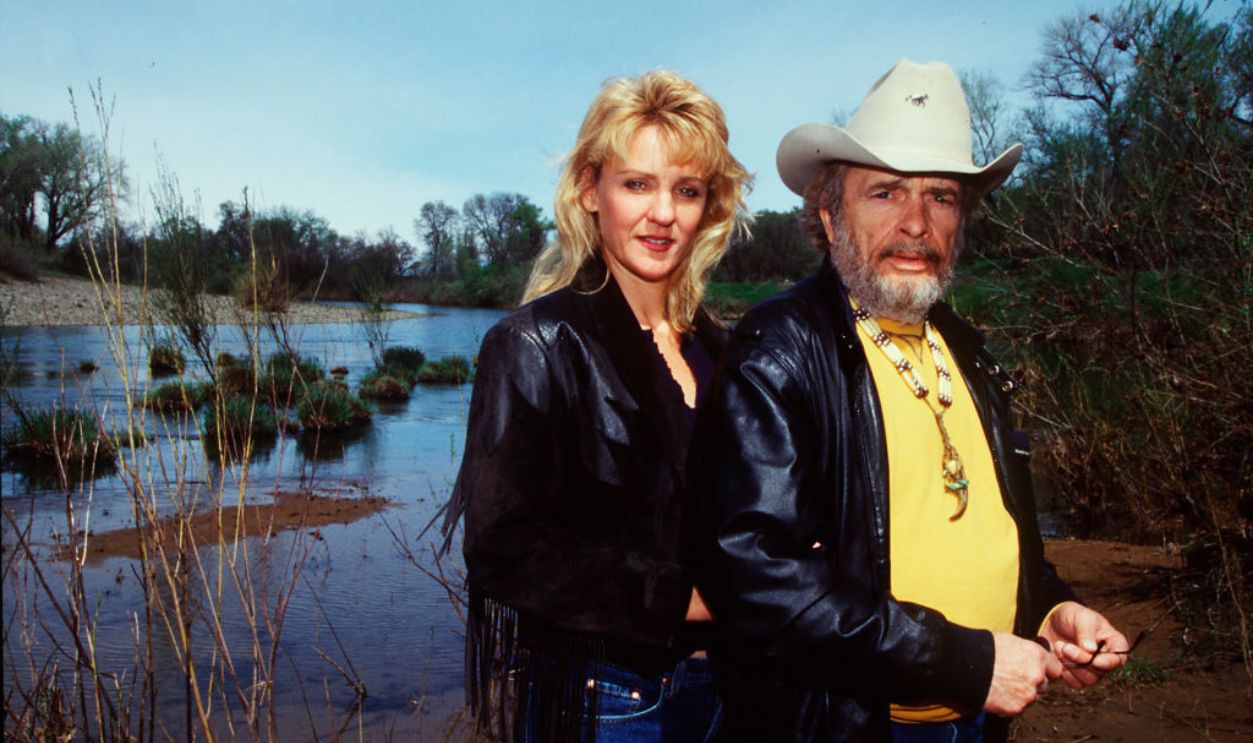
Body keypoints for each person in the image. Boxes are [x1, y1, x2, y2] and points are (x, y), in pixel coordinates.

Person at [690, 59, 1129, 742]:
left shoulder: (967, 348)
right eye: (886, 193)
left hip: (977, 716)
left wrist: (1047, 609)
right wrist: (960, 659)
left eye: (941, 197)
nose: (917, 223)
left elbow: (992, 526)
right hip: (853, 723)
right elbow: (751, 568)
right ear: (829, 216)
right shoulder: (779, 347)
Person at [442, 70, 751, 742]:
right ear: (590, 189)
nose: (663, 213)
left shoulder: (723, 350)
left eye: (686, 189)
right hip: (609, 700)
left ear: (709, 207)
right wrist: (684, 599)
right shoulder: (534, 342)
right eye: (637, 183)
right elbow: (503, 548)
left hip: (729, 689)